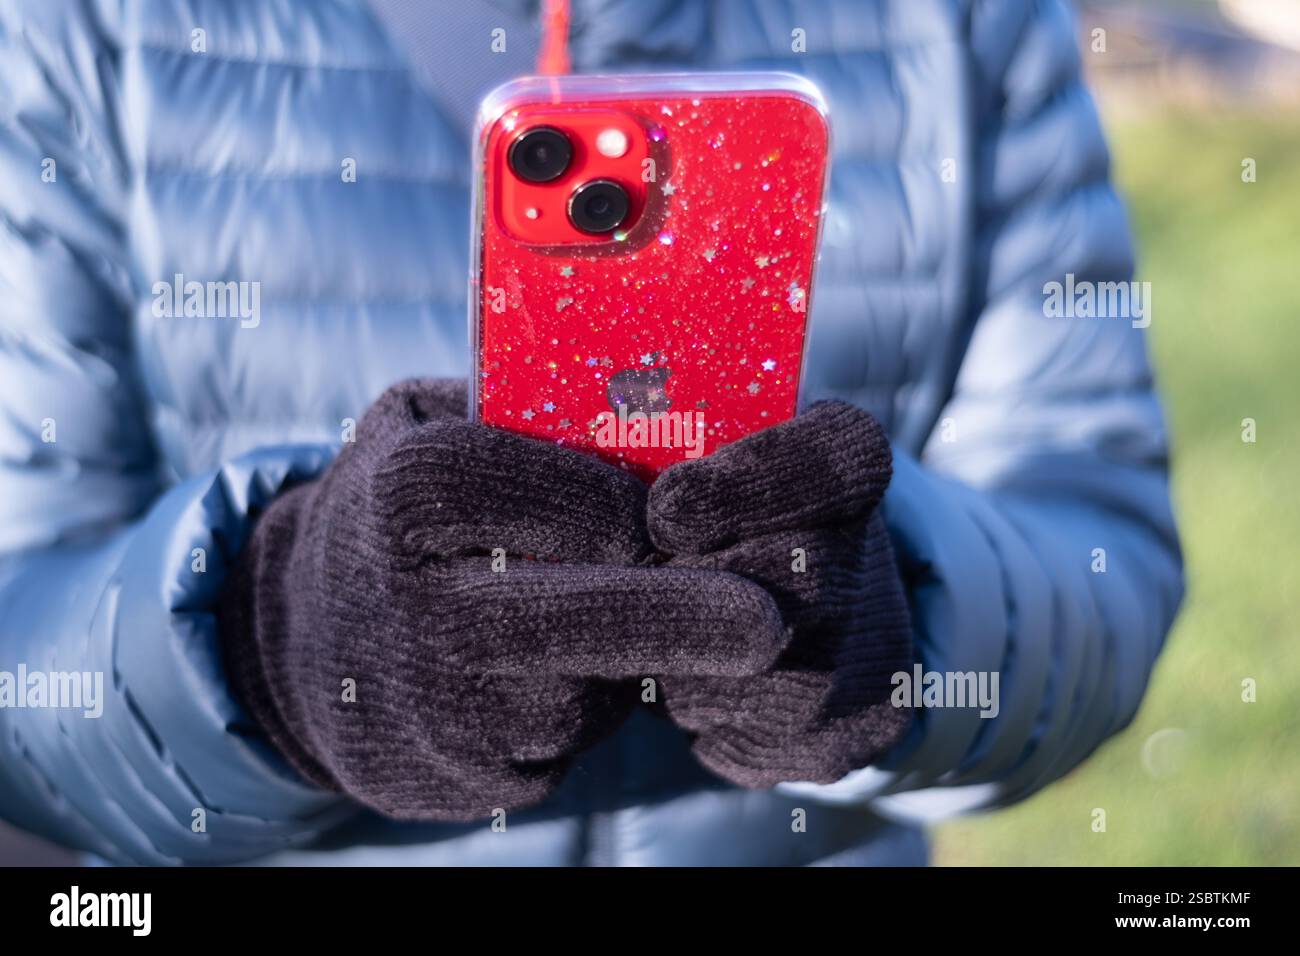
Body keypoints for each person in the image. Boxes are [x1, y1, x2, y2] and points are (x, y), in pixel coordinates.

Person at [0, 0, 1183, 866]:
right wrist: (267, 645)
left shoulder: (964, 21)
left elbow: (1097, 547)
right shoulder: (89, 29)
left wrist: (905, 621)